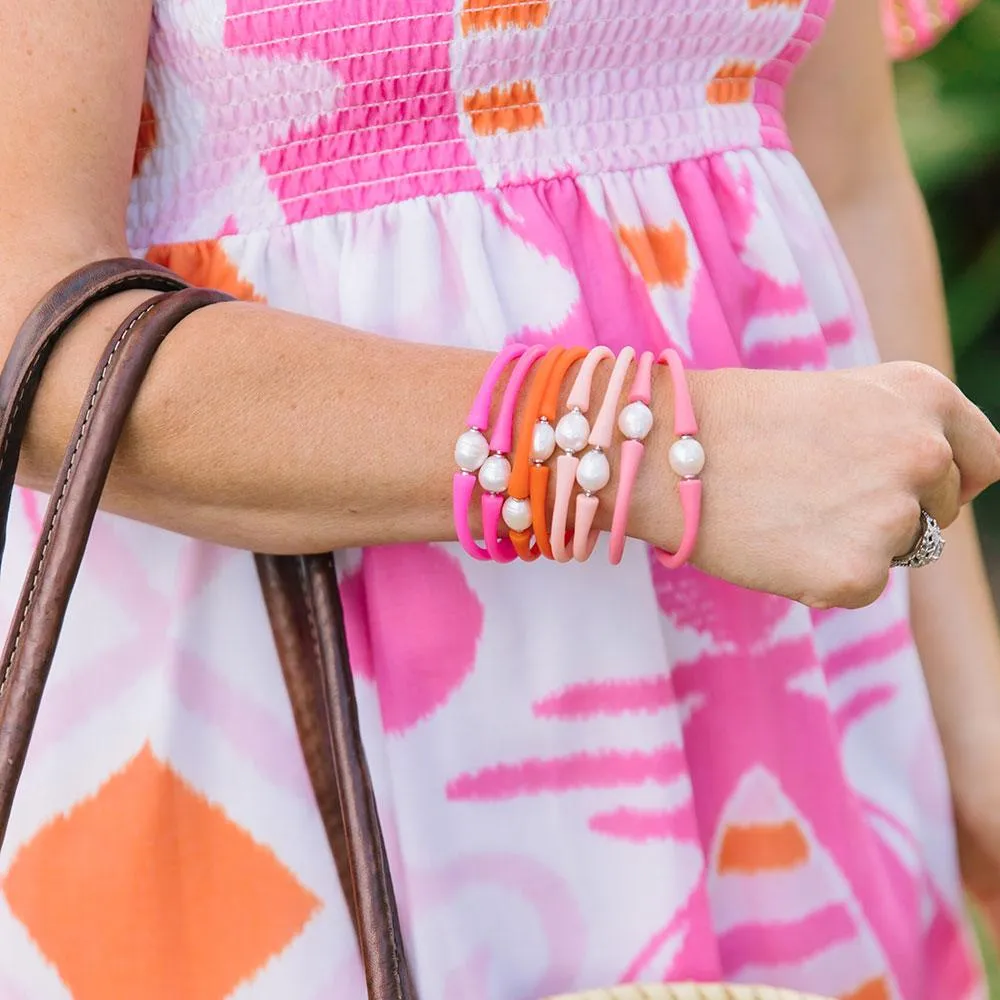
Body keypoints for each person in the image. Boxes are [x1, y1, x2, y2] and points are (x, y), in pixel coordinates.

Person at [1, 0, 999, 997]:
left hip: (788, 715)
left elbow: (849, 176)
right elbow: (27, 333)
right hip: (309, 711)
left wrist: (975, 737)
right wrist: (659, 449)